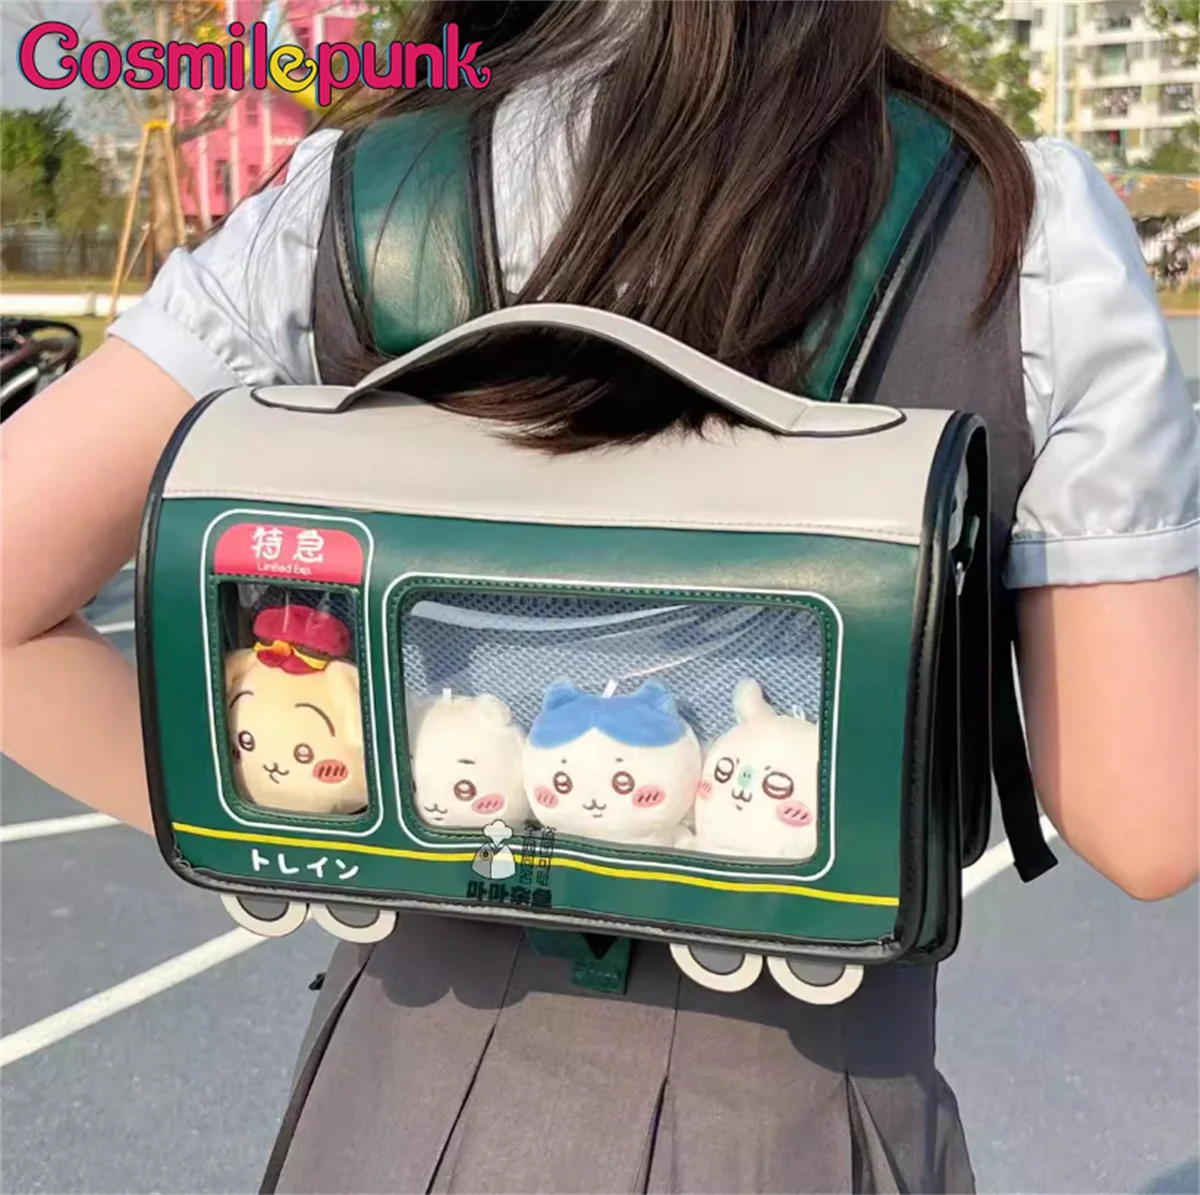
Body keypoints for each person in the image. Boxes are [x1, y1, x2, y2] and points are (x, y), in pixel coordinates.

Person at [2, 3, 1196, 1191]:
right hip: (795, 1116)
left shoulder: (355, 193)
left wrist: (324, 830)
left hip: (397, 1103)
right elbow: (1145, 828)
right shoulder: (1019, 225)